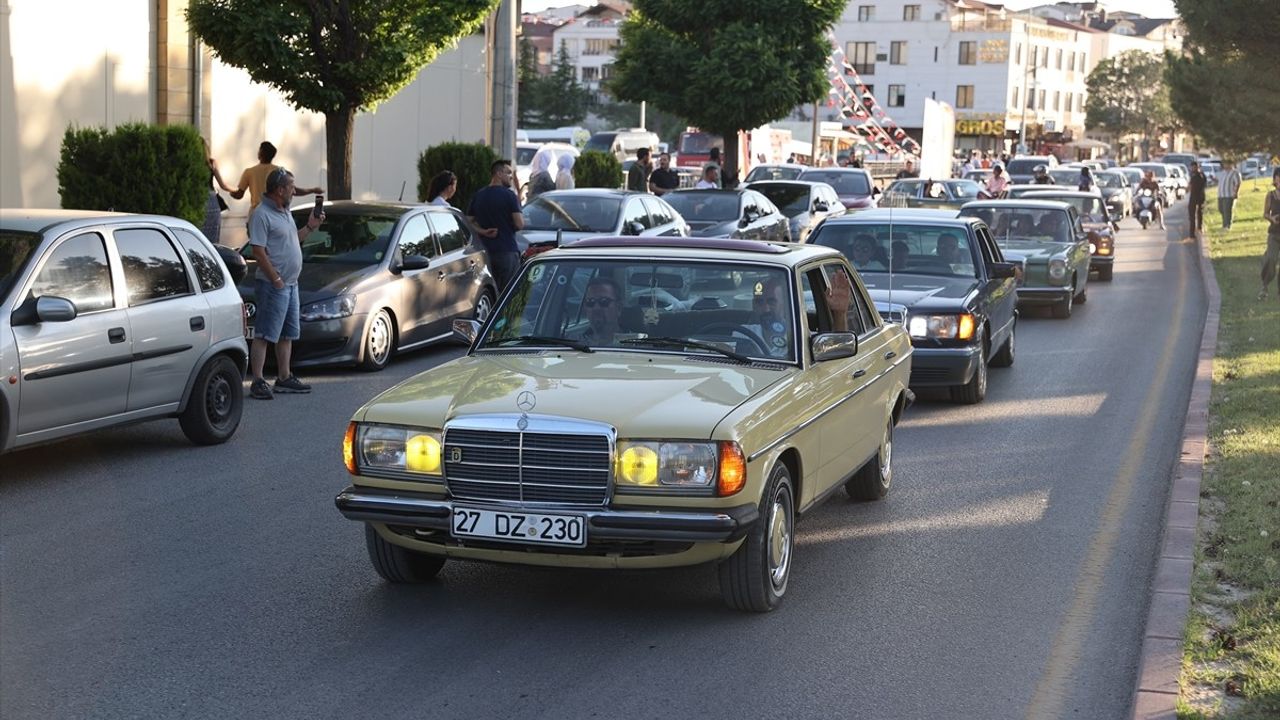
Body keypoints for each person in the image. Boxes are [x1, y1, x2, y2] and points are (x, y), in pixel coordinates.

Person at [247, 167, 324, 400]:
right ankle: (257, 380)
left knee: (287, 334)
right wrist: (276, 279)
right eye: (291, 187)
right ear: (280, 190)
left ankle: (284, 377)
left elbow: (293, 239)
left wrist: (310, 227)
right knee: (264, 333)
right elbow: (258, 251)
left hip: (291, 284)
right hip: (273, 285)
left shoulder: (285, 211)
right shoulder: (262, 214)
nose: (294, 191)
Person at [467, 160, 525, 293]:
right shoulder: (509, 195)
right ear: (498, 174)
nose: (511, 176)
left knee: (488, 292)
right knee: (507, 293)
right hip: (506, 250)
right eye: (508, 173)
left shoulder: (479, 195)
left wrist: (483, 231)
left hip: (484, 253)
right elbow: (520, 223)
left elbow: (468, 221)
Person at [230, 141, 322, 212]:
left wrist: (230, 191)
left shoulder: (249, 172)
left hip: (256, 212)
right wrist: (312, 190)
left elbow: (239, 195)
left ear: (260, 153)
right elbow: (294, 191)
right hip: (275, 211)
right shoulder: (279, 171)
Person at [201, 138, 234, 244]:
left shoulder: (190, 162)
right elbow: (223, 185)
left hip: (198, 199)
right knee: (212, 237)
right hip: (211, 201)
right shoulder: (211, 163)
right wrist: (237, 190)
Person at [575, 276, 623, 343]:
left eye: (604, 301)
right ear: (585, 308)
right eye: (590, 302)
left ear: (619, 308)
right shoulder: (573, 342)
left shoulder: (633, 343)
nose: (596, 308)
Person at [1260, 168, 1280, 301]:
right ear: (1274, 180)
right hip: (1274, 233)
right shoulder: (1270, 195)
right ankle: (1265, 285)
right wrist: (1272, 219)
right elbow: (1265, 213)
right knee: (1271, 260)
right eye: (1278, 178)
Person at [1219, 161, 1242, 229]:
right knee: (1221, 209)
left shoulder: (1235, 173)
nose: (1224, 165)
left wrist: (1235, 192)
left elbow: (1238, 183)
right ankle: (1224, 224)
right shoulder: (1223, 173)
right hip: (1221, 194)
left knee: (1227, 210)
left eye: (1226, 164)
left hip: (1229, 195)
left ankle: (1227, 225)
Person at [1187, 161, 1207, 234]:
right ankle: (1196, 229)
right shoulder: (1199, 175)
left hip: (1198, 196)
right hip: (1197, 196)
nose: (1192, 169)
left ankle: (1195, 230)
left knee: (1196, 213)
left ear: (1197, 167)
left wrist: (1188, 188)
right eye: (1192, 167)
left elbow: (1191, 186)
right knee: (1196, 213)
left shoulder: (1197, 175)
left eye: (1194, 167)